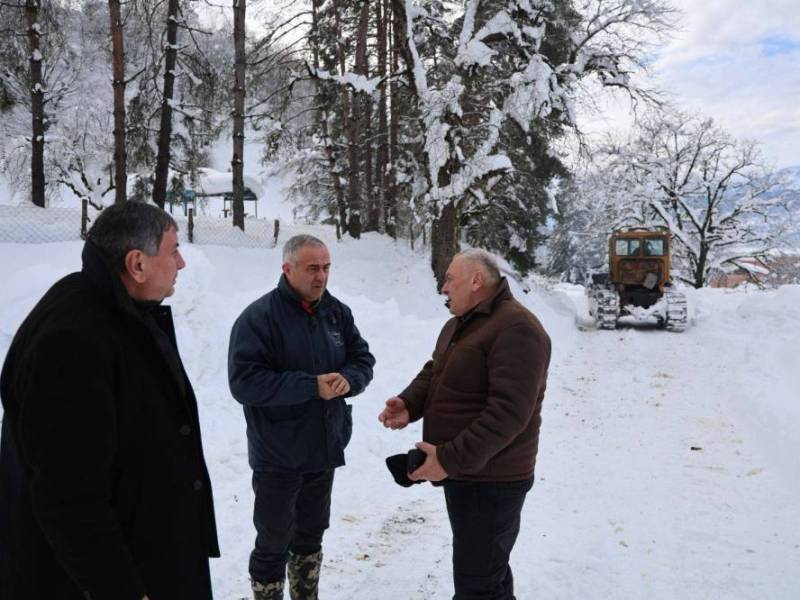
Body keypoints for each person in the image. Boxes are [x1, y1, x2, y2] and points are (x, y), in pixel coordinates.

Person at [0, 202, 219, 600]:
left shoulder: (120, 312)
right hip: (103, 580)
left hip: (147, 557)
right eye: (173, 250)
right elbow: (67, 497)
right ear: (137, 264)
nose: (182, 263)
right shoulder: (73, 338)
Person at [379, 249, 551, 600]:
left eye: (450, 279)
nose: (443, 288)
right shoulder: (464, 323)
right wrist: (409, 404)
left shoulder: (517, 329)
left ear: (476, 281)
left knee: (477, 586)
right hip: (470, 475)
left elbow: (508, 413)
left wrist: (447, 459)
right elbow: (436, 370)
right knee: (489, 574)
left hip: (492, 481)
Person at [228, 234, 375, 600]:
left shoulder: (336, 313)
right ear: (287, 268)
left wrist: (349, 380)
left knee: (311, 534)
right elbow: (244, 383)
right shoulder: (258, 318)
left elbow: (362, 359)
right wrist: (311, 386)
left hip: (323, 446)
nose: (321, 276)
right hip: (278, 454)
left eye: (326, 268)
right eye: (312, 268)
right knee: (274, 539)